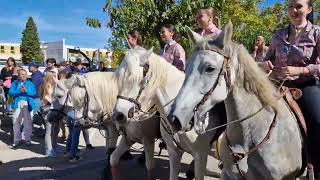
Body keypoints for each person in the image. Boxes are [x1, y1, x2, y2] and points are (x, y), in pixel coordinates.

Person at [261, 0, 320, 178]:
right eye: (290, 6)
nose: (294, 10)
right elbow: (268, 57)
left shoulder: (317, 32)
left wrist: (300, 70)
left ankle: (316, 167)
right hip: (277, 85)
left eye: (299, 6)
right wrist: (265, 64)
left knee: (318, 121)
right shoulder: (278, 34)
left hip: (305, 84)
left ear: (309, 9)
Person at [9, 69, 36, 147]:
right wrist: (19, 91)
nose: (23, 75)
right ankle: (17, 140)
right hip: (17, 104)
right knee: (16, 121)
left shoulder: (30, 84)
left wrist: (26, 91)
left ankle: (27, 139)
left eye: (25, 74)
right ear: (18, 76)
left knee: (28, 122)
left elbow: (34, 94)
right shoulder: (15, 83)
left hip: (27, 104)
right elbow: (11, 93)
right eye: (22, 74)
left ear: (27, 75)